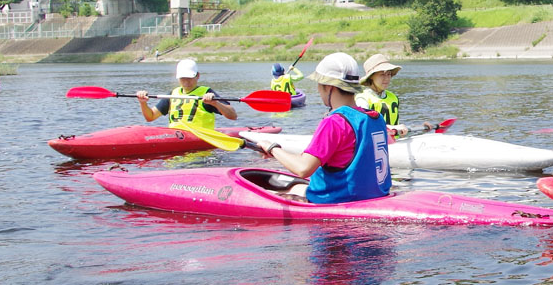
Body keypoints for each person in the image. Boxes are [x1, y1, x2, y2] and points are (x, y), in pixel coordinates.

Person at [255, 52, 391, 203]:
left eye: (319, 85)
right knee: (295, 187)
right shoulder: (376, 118)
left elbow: (303, 169)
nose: (318, 91)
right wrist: (280, 154)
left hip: (338, 201)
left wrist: (272, 147)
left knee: (265, 192)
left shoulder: (334, 122)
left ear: (328, 87)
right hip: (373, 197)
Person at [136, 58, 237, 136]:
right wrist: (143, 103)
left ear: (197, 76)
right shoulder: (172, 94)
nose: (186, 82)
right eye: (183, 78)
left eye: (189, 78)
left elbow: (233, 115)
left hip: (200, 136)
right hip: (175, 136)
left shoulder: (206, 92)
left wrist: (215, 103)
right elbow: (150, 116)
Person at [356, 53, 430, 138]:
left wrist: (421, 129)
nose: (387, 78)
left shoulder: (393, 98)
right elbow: (364, 127)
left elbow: (399, 130)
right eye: (382, 74)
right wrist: (392, 128)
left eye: (389, 74)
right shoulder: (362, 99)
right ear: (371, 76)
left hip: (394, 145)